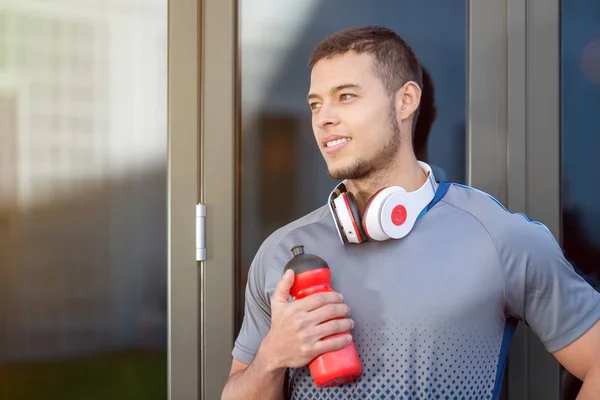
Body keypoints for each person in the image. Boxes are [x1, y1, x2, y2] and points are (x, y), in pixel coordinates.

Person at [221, 26, 600, 400]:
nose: (324, 118)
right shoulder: (282, 253)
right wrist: (271, 357)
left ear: (406, 100)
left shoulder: (499, 237)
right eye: (316, 104)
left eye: (346, 96)